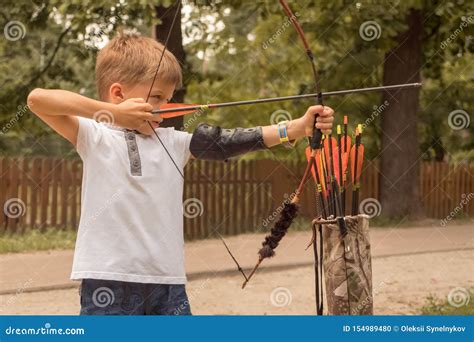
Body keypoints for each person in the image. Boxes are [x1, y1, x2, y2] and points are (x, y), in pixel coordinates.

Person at [27, 33, 334, 315]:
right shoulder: (94, 134)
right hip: (108, 281)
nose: (165, 107)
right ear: (118, 93)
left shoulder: (174, 143)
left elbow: (229, 141)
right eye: (157, 97)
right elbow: (38, 100)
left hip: (167, 283)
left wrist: (294, 127)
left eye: (169, 98)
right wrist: (115, 114)